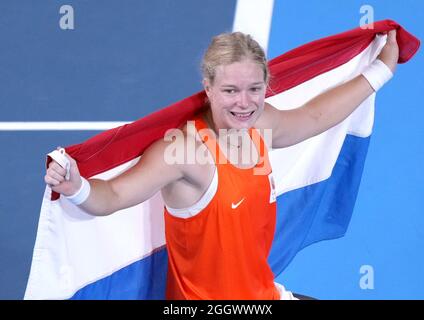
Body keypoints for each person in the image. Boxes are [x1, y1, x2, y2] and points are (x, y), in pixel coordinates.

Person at [44, 30, 399, 300]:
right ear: (208, 88)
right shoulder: (185, 151)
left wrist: (382, 69)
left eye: (255, 89)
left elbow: (315, 116)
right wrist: (76, 187)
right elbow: (114, 195)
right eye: (230, 91)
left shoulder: (261, 126)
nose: (244, 104)